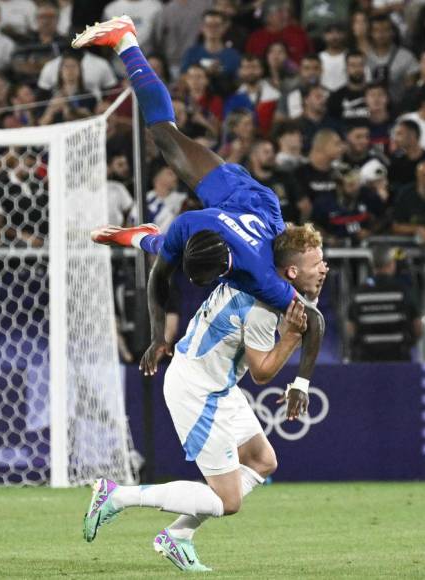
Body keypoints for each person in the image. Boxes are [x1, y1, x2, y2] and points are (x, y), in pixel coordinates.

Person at [72, 15, 325, 424]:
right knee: (164, 136)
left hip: (250, 202)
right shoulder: (192, 225)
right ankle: (124, 40)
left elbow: (314, 319)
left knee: (164, 151)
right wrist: (158, 336)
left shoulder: (259, 274)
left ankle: (141, 237)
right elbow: (161, 276)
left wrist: (301, 383)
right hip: (233, 204)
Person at [83, 224, 327, 572]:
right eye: (317, 262)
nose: (324, 267)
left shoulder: (254, 271)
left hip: (217, 385)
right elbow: (261, 373)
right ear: (290, 272)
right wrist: (289, 338)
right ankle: (117, 496)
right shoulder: (260, 308)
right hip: (196, 391)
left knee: (262, 461)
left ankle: (177, 538)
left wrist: (131, 236)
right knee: (228, 501)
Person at [347, 246, 421, 361]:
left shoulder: (359, 293)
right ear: (392, 264)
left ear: (372, 265)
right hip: (398, 359)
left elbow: (351, 328)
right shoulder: (402, 291)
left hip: (366, 360)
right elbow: (417, 326)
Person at [366, 14, 418, 103]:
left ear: (392, 32)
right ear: (371, 33)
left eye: (385, 30)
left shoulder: (406, 56)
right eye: (376, 30)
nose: (381, 34)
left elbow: (410, 89)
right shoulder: (364, 57)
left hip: (398, 105)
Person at [327, 50, 369, 121]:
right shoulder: (336, 97)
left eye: (360, 65)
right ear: (346, 68)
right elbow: (332, 124)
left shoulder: (375, 94)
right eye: (352, 65)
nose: (357, 69)